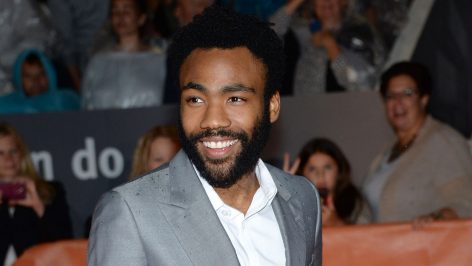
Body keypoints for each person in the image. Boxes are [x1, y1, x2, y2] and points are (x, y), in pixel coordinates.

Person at [88, 5, 322, 265]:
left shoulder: (303, 198)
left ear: (272, 106)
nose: (212, 120)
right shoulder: (129, 213)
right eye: (196, 99)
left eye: (234, 98)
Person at [361, 61, 472, 225]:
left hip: (426, 248)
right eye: (391, 96)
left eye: (407, 93)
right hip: (383, 248)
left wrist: (435, 219)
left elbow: (465, 203)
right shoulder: (387, 151)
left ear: (423, 99)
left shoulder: (445, 142)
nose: (398, 102)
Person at [270, 0, 385, 94]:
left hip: (346, 115)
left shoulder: (361, 34)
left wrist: (332, 47)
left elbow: (362, 87)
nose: (326, 1)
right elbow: (269, 35)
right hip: (303, 113)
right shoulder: (304, 33)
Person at [0, 123, 73, 266]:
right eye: (0, 153)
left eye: (13, 151)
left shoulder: (50, 191)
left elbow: (64, 244)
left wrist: (39, 207)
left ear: (22, 154)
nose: (9, 159)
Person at [81, 0, 167, 110]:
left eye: (127, 11)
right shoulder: (98, 62)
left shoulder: (159, 60)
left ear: (141, 18)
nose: (120, 16)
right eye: (115, 11)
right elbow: (86, 105)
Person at [284, 138, 371, 226]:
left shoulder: (356, 202)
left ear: (339, 170)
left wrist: (337, 224)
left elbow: (369, 237)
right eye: (312, 169)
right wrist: (284, 197)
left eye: (327, 167)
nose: (320, 175)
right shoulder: (296, 203)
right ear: (302, 173)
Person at [0, 49, 80, 114]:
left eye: (41, 74)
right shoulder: (6, 105)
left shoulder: (66, 100)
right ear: (19, 80)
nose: (36, 80)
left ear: (50, 75)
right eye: (28, 76)